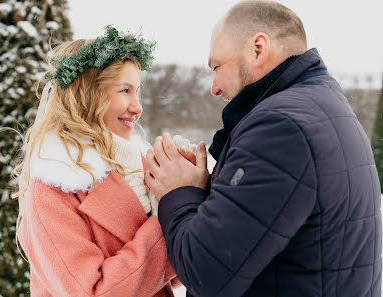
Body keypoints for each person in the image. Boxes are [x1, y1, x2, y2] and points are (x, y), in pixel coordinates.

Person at [145, 1, 382, 297]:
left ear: (258, 48)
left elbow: (205, 272)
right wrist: (205, 191)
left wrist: (178, 191)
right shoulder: (324, 106)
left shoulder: (280, 128)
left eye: (217, 66)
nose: (214, 87)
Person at [13, 25, 179, 296]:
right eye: (124, 90)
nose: (137, 107)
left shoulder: (138, 167)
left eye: (137, 91)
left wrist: (185, 195)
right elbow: (92, 292)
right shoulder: (53, 188)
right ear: (87, 95)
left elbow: (170, 278)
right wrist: (167, 218)